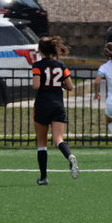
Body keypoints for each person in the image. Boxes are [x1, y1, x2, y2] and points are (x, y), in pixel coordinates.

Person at [31, 35, 78, 185]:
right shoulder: (61, 66)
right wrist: (58, 84)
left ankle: (43, 177)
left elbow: (36, 86)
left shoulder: (37, 65)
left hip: (42, 105)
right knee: (58, 139)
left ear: (40, 50)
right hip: (58, 104)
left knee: (42, 142)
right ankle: (69, 155)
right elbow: (70, 86)